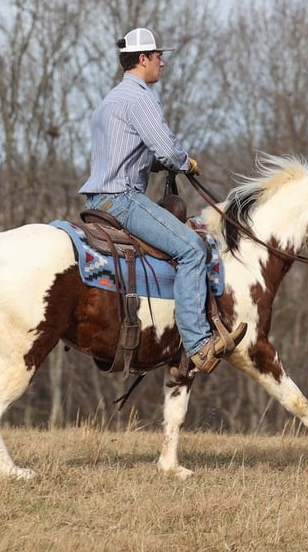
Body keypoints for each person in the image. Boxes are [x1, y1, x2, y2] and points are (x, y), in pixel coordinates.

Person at [79, 27, 246, 374]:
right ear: (143, 59)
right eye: (158, 57)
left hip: (97, 199)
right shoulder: (140, 98)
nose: (163, 63)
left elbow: (124, 152)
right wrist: (185, 162)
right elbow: (168, 149)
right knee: (191, 249)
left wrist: (156, 163)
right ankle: (198, 345)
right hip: (121, 200)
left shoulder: (110, 100)